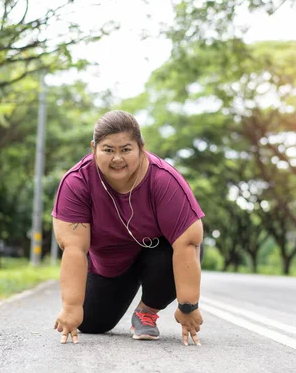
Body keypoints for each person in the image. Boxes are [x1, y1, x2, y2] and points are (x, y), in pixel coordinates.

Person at [51, 110, 205, 346]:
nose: (117, 159)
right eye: (108, 150)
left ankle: (146, 311)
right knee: (91, 323)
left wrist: (188, 306)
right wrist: (70, 308)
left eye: (126, 149)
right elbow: (74, 249)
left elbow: (188, 241)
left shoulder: (163, 179)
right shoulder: (77, 182)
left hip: (156, 256)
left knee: (185, 245)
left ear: (141, 147)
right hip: (110, 265)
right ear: (93, 148)